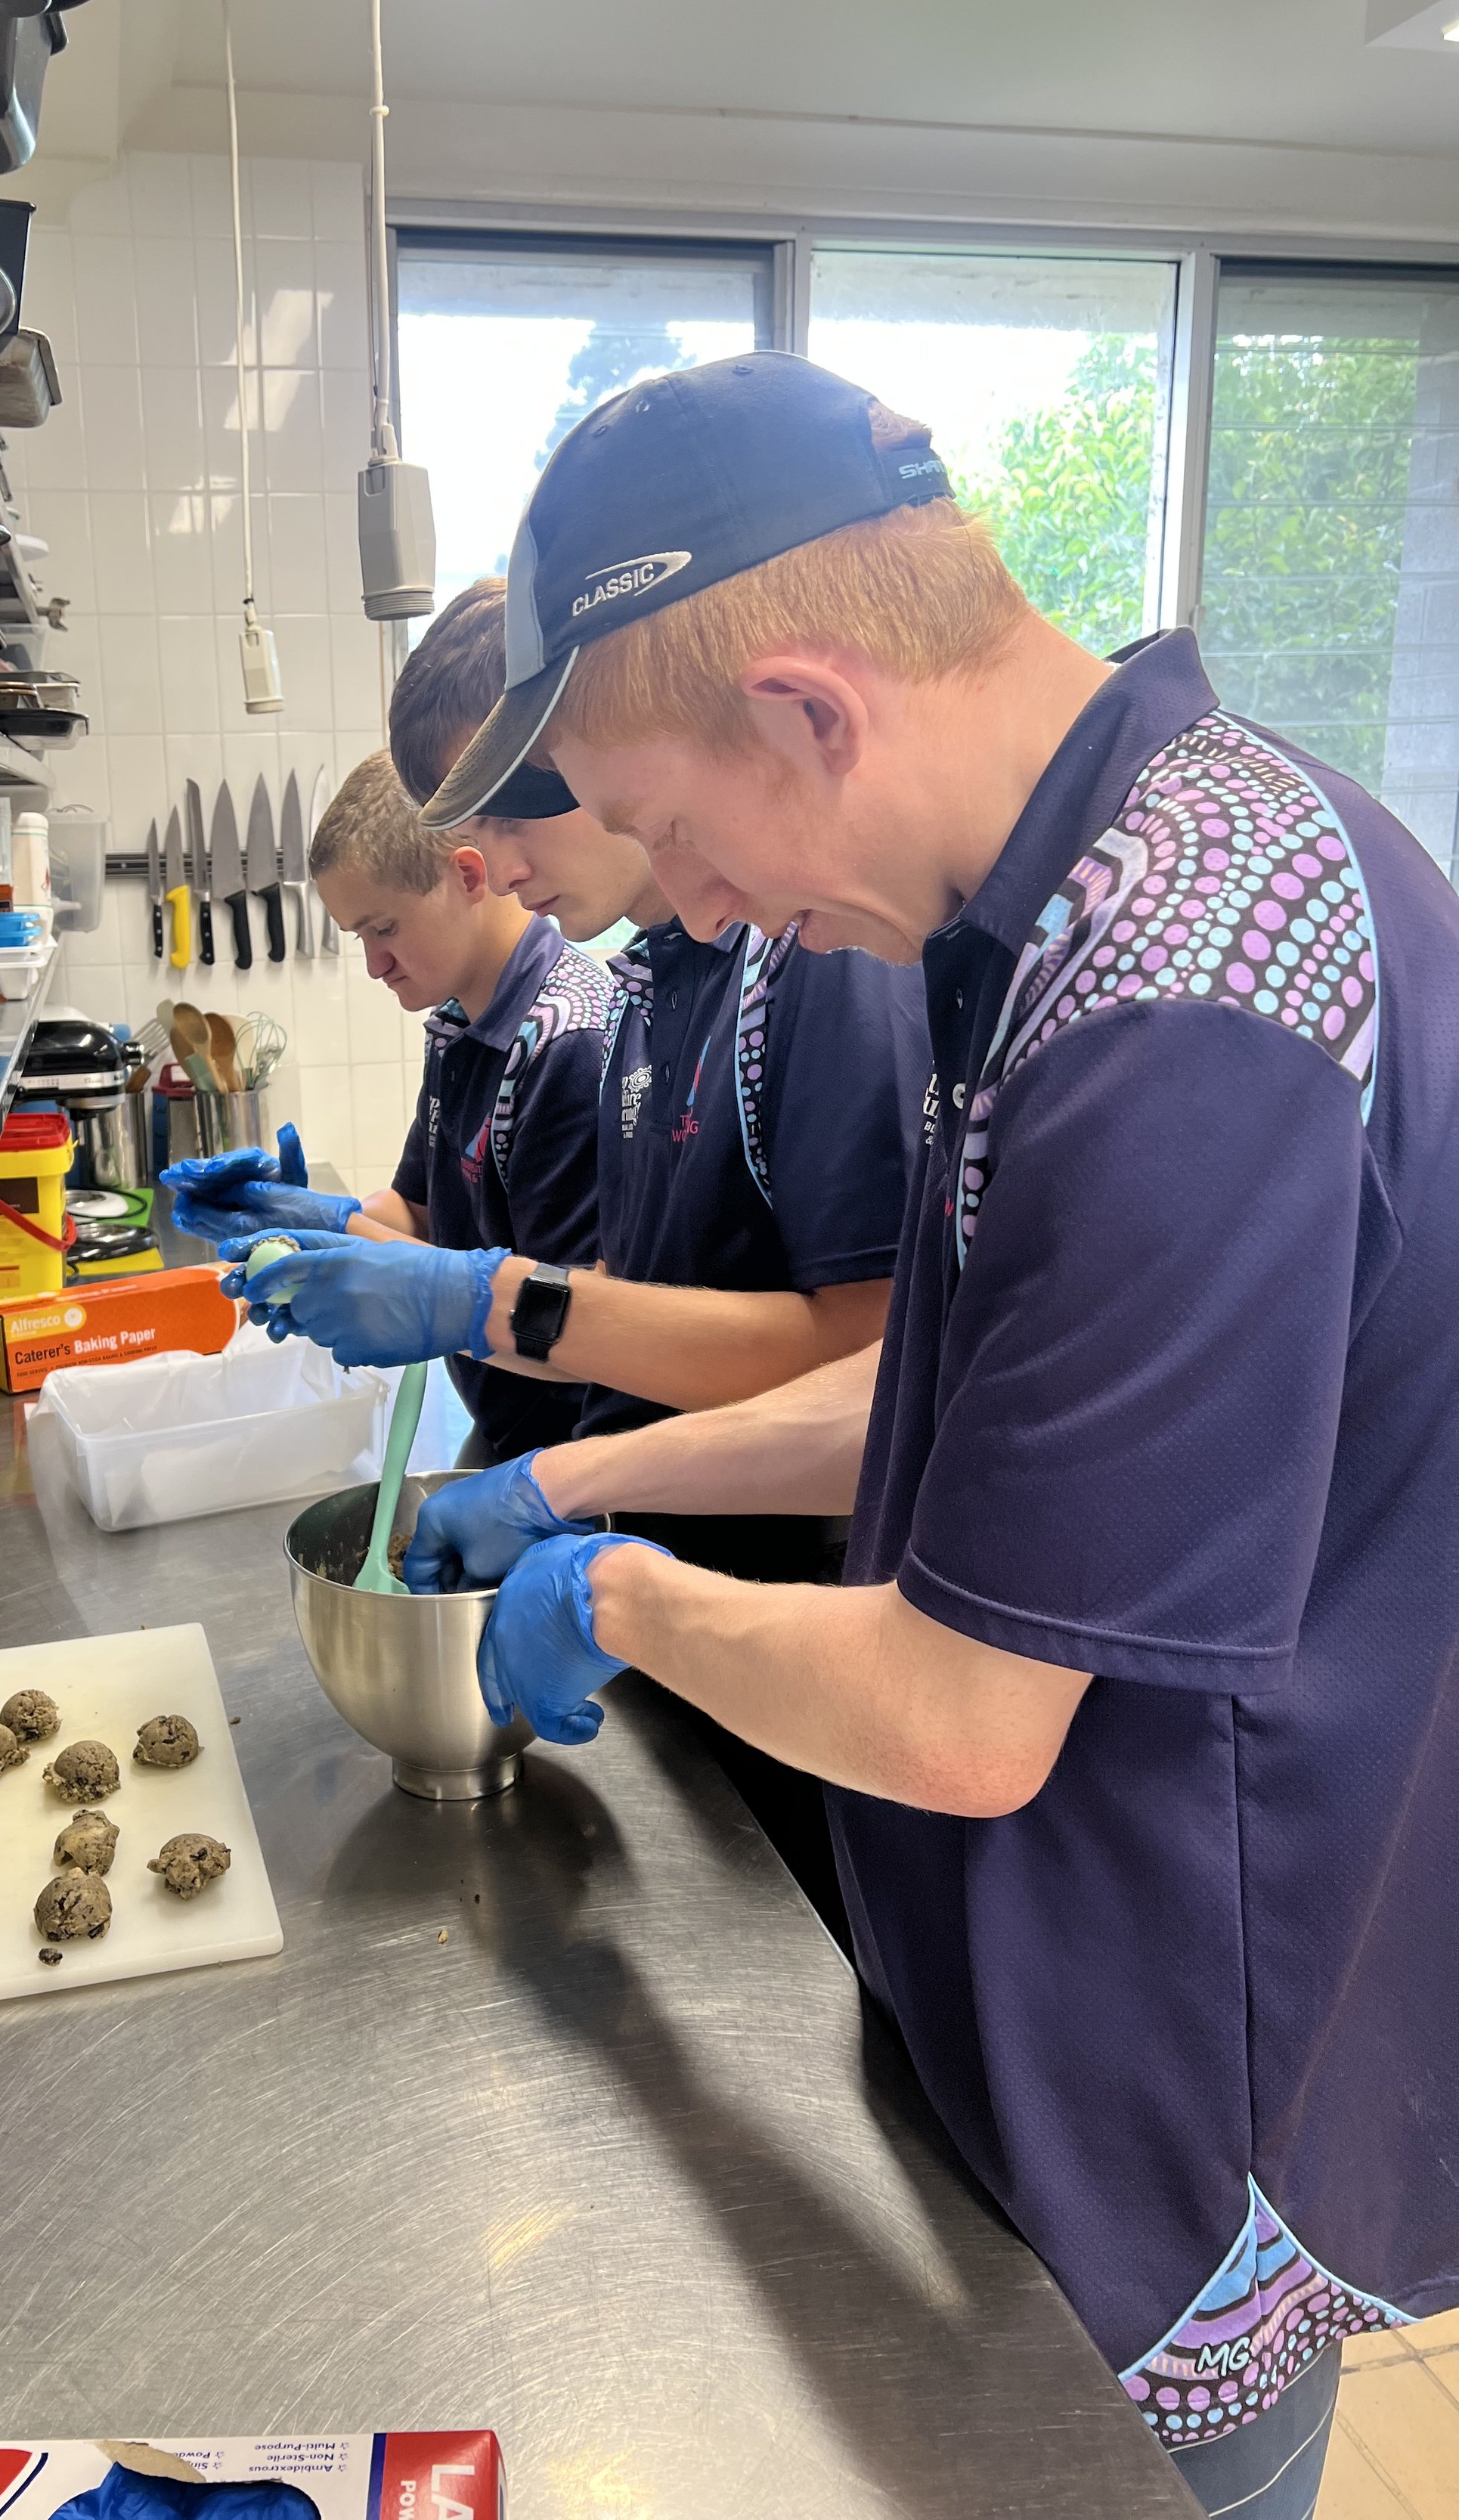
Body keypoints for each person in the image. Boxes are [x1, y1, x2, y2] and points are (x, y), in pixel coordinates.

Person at [395, 350, 1459, 2518]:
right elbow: (968, 1398)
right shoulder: (1054, 903)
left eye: (675, 832)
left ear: (805, 709)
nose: (680, 906)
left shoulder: (1189, 992)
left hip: (1178, 2068)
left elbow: (971, 1715)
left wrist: (616, 1598)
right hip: (1036, 1990)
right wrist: (589, 1470)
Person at [231, 578, 925, 1928]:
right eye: (461, 817)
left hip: (778, 1614)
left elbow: (868, 1365)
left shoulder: (816, 965)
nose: (485, 856)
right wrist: (571, 1477)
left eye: (513, 801)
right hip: (644, 1583)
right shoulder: (650, 982)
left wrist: (492, 1308)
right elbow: (637, 1306)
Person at [165, 749, 610, 1466]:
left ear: (466, 876)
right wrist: (314, 1227)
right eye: (359, 937)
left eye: (384, 928)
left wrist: (379, 1268)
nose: (375, 965)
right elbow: (420, 1211)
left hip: (573, 1454)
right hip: (501, 1428)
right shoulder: (457, 1024)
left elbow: (574, 1333)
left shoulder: (567, 1044)